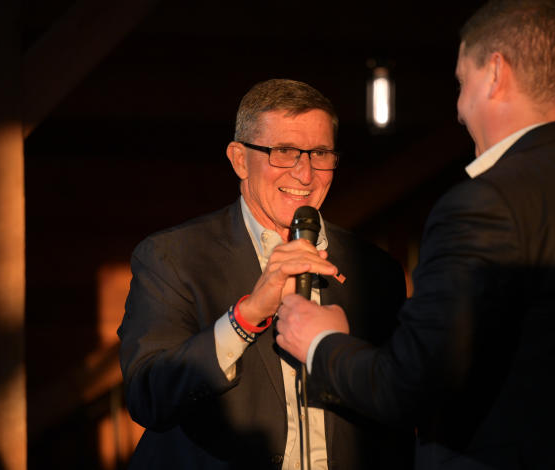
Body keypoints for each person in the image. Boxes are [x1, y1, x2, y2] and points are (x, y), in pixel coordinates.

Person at [275, 1, 555, 469]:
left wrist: (323, 342)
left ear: (495, 73)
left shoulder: (483, 204)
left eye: (462, 83)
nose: (460, 111)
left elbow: (411, 386)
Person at [117, 79, 412, 470]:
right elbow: (148, 396)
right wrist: (246, 317)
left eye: (320, 153)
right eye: (284, 152)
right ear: (240, 159)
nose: (305, 174)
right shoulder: (173, 256)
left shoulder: (376, 270)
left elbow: (399, 407)